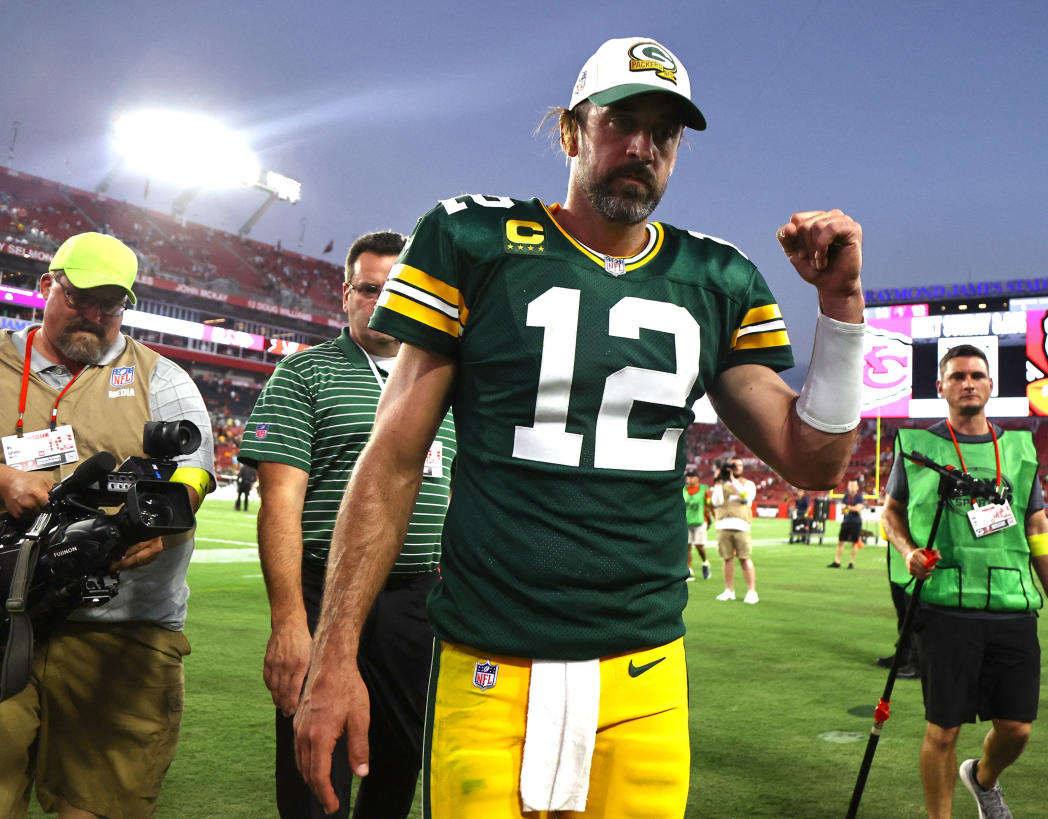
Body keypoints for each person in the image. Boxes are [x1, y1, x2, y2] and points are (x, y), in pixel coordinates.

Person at [292, 36, 867, 818]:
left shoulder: (717, 278)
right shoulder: (471, 241)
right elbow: (393, 457)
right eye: (620, 120)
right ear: (570, 130)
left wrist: (840, 311)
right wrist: (334, 653)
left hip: (644, 671)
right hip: (487, 659)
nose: (642, 145)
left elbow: (813, 461)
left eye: (664, 131)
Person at [240, 231, 457, 817]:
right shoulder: (304, 374)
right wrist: (288, 622)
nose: (381, 301)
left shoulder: (448, 384)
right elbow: (280, 502)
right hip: (322, 591)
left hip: (417, 598)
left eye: (397, 289)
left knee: (398, 763)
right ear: (346, 294)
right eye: (368, 289)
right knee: (315, 766)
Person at [0, 232, 215, 818]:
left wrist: (162, 522)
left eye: (112, 305)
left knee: (101, 808)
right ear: (47, 285)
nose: (95, 316)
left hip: (120, 632)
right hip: (3, 618)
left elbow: (196, 472)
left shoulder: (162, 379)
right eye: (81, 298)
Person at [882, 344, 1048, 819]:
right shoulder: (918, 446)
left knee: (1017, 729)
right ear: (941, 387)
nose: (967, 383)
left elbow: (1037, 530)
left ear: (991, 386)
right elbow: (890, 512)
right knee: (942, 732)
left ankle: (983, 778)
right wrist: (908, 553)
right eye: (957, 376)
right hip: (946, 606)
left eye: (976, 375)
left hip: (1013, 604)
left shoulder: (1018, 448)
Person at [712, 457, 759, 603]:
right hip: (723, 525)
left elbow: (746, 496)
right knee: (727, 559)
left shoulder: (748, 484)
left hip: (741, 525)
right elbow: (716, 502)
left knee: (744, 558)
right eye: (733, 465)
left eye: (738, 465)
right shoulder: (721, 484)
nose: (735, 467)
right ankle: (729, 590)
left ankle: (751, 591)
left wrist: (732, 479)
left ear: (742, 468)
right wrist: (718, 481)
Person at [830, 477, 866, 568]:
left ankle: (851, 563)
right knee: (841, 541)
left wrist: (848, 508)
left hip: (856, 522)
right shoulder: (846, 496)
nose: (852, 487)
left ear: (857, 487)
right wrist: (851, 508)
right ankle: (837, 561)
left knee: (854, 542)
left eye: (853, 485)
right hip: (846, 521)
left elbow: (858, 509)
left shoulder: (859, 497)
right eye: (850, 485)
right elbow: (843, 509)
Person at [683, 468, 711, 581]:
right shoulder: (684, 490)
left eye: (691, 477)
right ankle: (689, 570)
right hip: (687, 522)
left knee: (699, 546)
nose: (688, 479)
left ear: (697, 478)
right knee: (687, 547)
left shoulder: (704, 489)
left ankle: (705, 562)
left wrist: (709, 518)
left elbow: (708, 504)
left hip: (700, 521)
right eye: (687, 477)